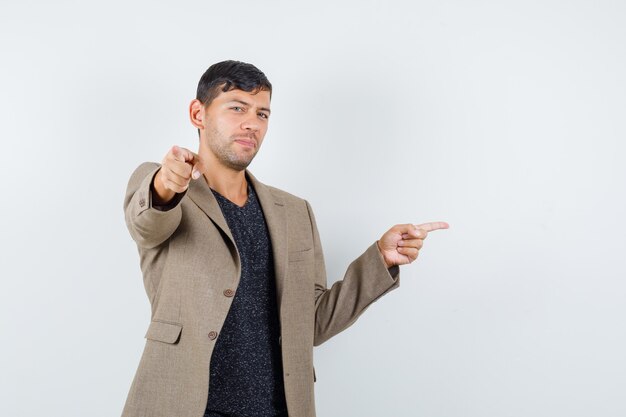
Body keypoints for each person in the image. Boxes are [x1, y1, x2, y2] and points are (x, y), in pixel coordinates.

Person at [122, 60, 448, 417]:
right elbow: (149, 224)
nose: (252, 123)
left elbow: (312, 323)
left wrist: (381, 260)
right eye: (237, 108)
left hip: (278, 408)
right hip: (183, 405)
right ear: (198, 113)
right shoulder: (164, 188)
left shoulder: (295, 212)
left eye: (263, 114)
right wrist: (167, 186)